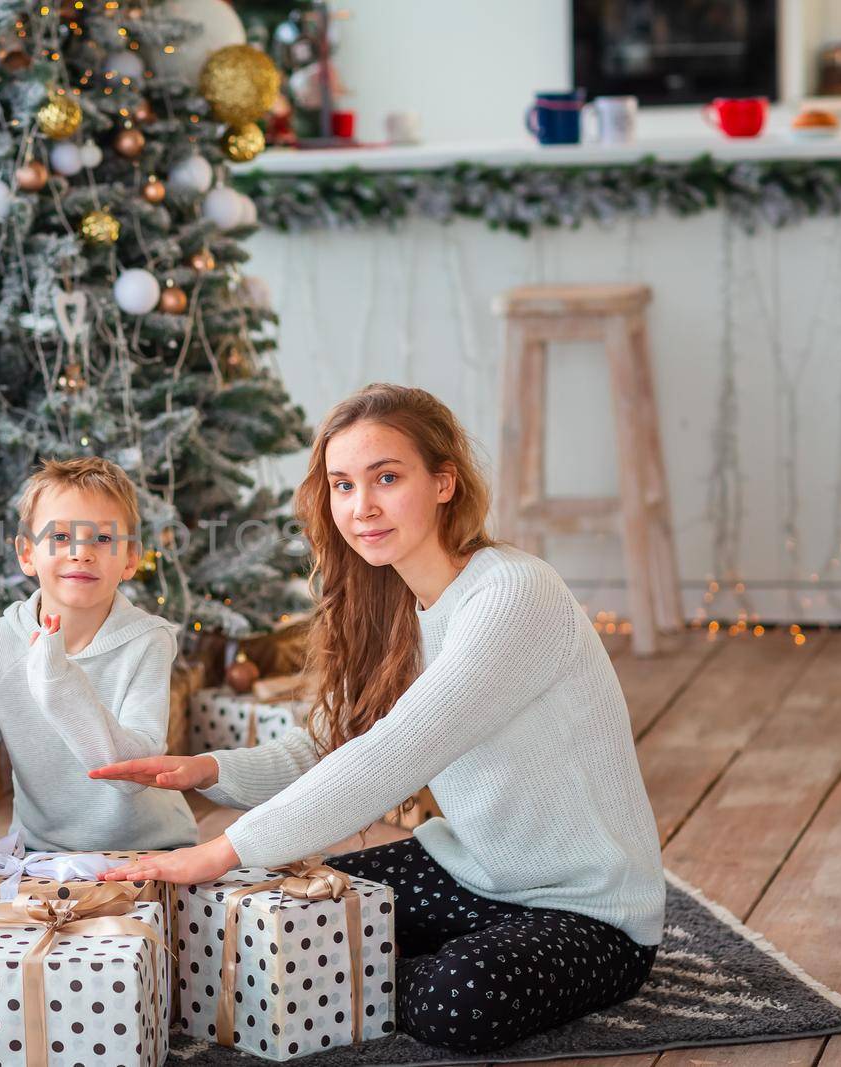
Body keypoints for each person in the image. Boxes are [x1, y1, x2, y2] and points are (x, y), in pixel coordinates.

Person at [93, 383, 665, 1054]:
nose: (361, 507)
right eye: (342, 485)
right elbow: (334, 743)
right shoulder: (392, 600)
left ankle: (336, 981)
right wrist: (207, 768)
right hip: (467, 870)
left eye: (386, 478)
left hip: (589, 911)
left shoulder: (513, 592)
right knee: (277, 913)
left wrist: (221, 848)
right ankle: (333, 976)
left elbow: (393, 753)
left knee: (459, 1000)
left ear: (444, 481)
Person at [0, 457, 197, 851]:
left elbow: (135, 769)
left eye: (103, 539)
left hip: (153, 847)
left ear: (130, 558)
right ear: (27, 553)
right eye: (60, 537)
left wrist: (59, 684)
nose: (81, 553)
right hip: (41, 852)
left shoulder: (147, 641)